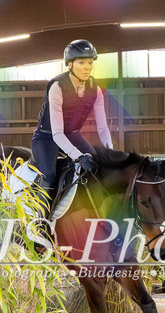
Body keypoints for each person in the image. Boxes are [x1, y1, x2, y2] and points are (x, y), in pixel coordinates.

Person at [31, 39, 113, 216]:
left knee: (98, 167)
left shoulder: (95, 89)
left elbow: (103, 128)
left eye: (90, 63)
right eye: (81, 63)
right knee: (49, 174)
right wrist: (79, 156)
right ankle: (39, 220)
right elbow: (57, 134)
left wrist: (109, 152)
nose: (87, 67)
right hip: (47, 137)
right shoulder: (57, 86)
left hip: (73, 134)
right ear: (70, 64)